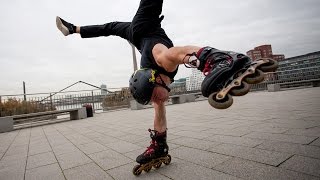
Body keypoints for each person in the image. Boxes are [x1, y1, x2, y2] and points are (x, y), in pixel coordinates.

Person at [56, 0, 272, 173]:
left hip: (143, 27)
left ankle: (219, 58)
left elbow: (176, 52)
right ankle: (159, 145)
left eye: (153, 95)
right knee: (111, 27)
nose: (156, 99)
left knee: (156, 44)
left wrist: (205, 60)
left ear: (155, 81)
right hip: (135, 35)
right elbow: (172, 74)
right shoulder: (153, 75)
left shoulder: (158, 57)